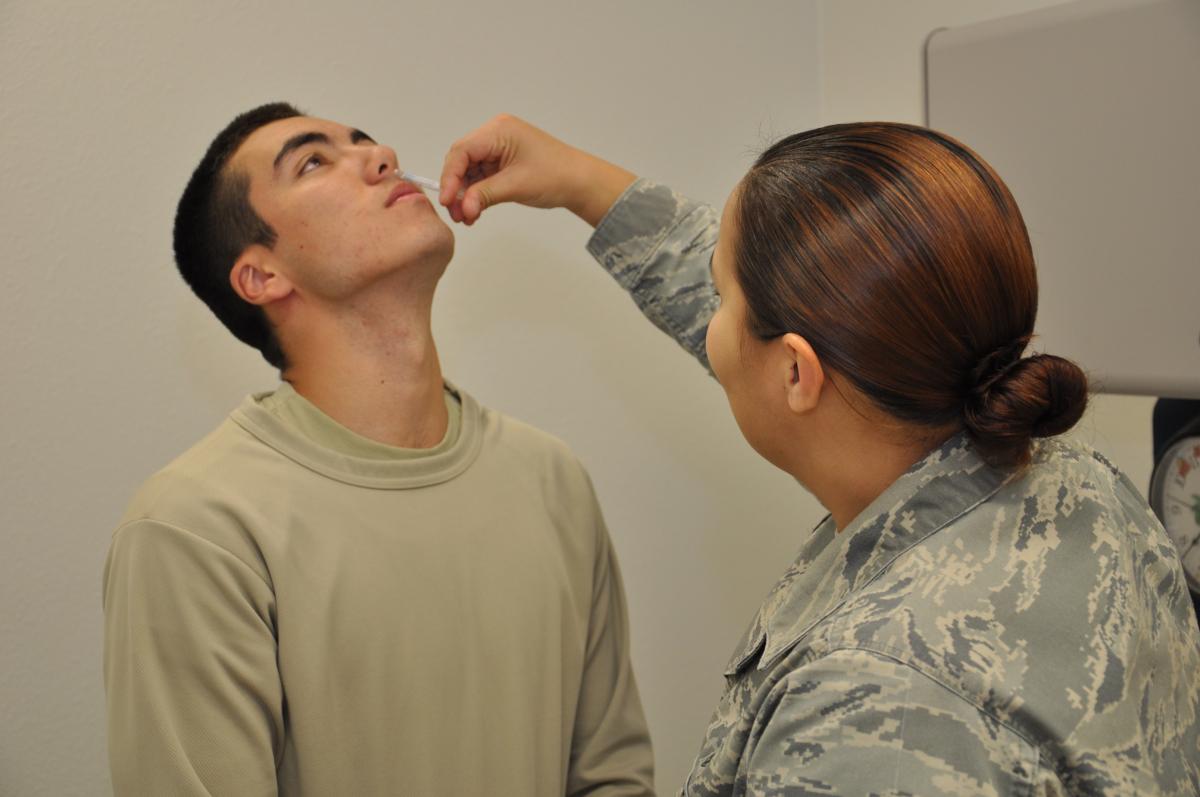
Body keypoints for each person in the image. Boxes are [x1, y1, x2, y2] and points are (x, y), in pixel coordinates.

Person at [436, 115, 1200, 795]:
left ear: (797, 372)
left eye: (723, 295)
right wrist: (581, 183)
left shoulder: (872, 712)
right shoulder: (1064, 472)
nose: (716, 315)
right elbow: (815, 313)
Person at [102, 103, 654, 797]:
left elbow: (612, 776)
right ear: (262, 277)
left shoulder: (550, 478)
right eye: (313, 161)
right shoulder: (196, 528)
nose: (381, 155)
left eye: (363, 140)